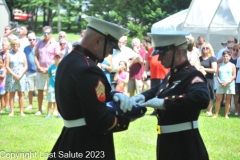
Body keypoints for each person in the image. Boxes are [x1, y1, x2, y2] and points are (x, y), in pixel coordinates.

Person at [49, 16, 135, 160]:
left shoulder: (68, 61)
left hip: (70, 138)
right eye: (110, 47)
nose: (109, 53)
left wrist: (111, 94)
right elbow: (101, 121)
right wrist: (128, 117)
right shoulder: (89, 69)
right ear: (98, 41)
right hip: (88, 143)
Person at [129, 31, 210, 160]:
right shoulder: (173, 74)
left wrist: (165, 103)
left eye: (163, 54)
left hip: (185, 145)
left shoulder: (192, 75)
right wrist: (142, 96)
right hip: (167, 142)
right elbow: (160, 88)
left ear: (177, 51)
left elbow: (202, 98)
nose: (160, 58)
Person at [34, 26, 60, 115]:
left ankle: (55, 110)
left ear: (51, 34)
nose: (46, 35)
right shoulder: (39, 43)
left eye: (48, 33)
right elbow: (35, 56)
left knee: (53, 90)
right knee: (40, 89)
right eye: (45, 33)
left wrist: (47, 69)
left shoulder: (55, 44)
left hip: (51, 71)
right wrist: (39, 67)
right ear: (42, 34)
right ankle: (39, 109)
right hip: (40, 70)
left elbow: (57, 58)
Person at [5, 39, 28, 116]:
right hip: (11, 76)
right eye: (13, 44)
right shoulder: (8, 54)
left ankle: (21, 111)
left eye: (16, 44)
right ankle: (12, 111)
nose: (15, 46)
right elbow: (7, 66)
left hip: (21, 76)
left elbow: (25, 66)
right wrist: (14, 75)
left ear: (19, 45)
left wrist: (20, 75)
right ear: (11, 45)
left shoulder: (23, 54)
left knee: (21, 93)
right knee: (12, 93)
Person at [213, 50, 235, 118]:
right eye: (224, 56)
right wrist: (219, 81)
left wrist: (228, 82)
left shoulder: (232, 65)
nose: (225, 57)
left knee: (228, 99)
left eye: (227, 56)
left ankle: (226, 115)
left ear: (230, 57)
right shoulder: (219, 65)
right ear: (222, 57)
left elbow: (234, 75)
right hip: (220, 84)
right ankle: (216, 114)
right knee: (218, 99)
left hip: (229, 84)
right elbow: (216, 75)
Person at [199, 42, 217, 116]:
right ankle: (199, 109)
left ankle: (209, 110)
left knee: (209, 94)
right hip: (200, 79)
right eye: (203, 48)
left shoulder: (212, 58)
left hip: (209, 79)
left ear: (210, 49)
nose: (205, 49)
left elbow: (214, 70)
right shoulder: (199, 58)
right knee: (199, 94)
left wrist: (204, 69)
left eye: (207, 48)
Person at [46, 53, 61, 119]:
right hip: (52, 86)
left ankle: (59, 114)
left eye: (58, 58)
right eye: (56, 57)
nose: (57, 59)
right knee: (50, 100)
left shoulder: (62, 67)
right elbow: (49, 76)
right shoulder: (51, 67)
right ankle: (48, 114)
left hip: (59, 87)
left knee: (59, 101)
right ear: (54, 58)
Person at [24, 33, 37, 110]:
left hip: (38, 71)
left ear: (36, 40)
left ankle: (40, 105)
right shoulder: (25, 49)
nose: (32, 41)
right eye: (30, 39)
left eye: (33, 39)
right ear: (28, 40)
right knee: (30, 89)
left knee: (40, 89)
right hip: (29, 71)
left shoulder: (38, 48)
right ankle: (30, 104)